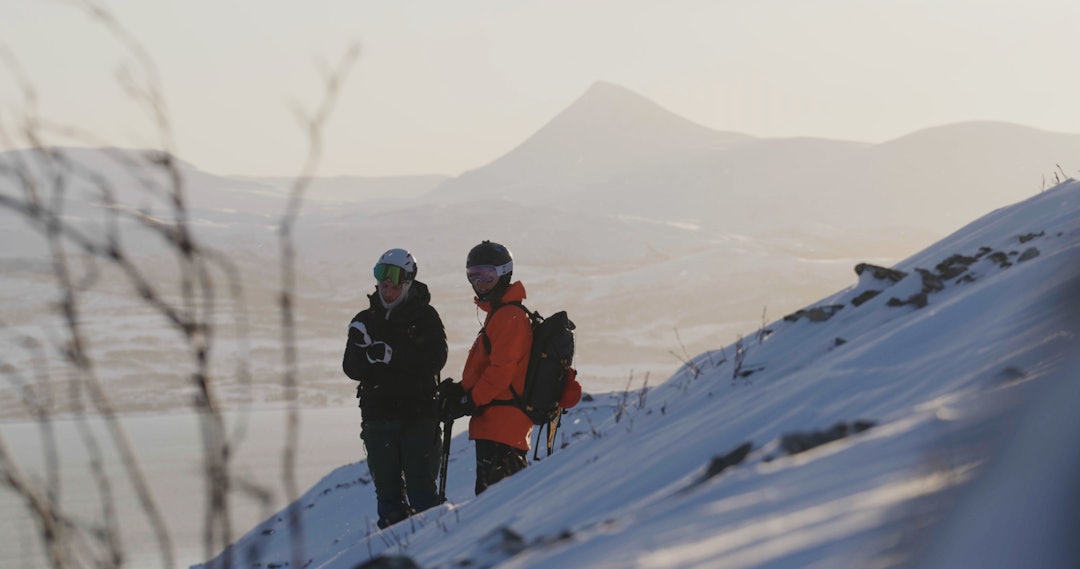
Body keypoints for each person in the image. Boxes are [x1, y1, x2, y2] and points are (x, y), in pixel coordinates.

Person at [438, 240, 580, 495]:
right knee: (495, 500)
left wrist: (468, 400)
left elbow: (500, 373)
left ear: (504, 274)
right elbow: (490, 368)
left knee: (495, 503)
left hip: (503, 426)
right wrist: (461, 390)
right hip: (497, 424)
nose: (479, 283)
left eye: (487, 275)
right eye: (473, 276)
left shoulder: (510, 317)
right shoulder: (501, 314)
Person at [342, 248, 447, 528]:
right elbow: (351, 369)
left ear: (408, 284)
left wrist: (391, 354)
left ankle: (436, 546)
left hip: (418, 417)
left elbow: (436, 360)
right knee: (388, 497)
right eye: (383, 286)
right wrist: (361, 350)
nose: (387, 292)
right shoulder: (366, 320)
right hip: (378, 419)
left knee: (422, 492)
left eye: (393, 287)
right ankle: (395, 548)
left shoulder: (425, 317)